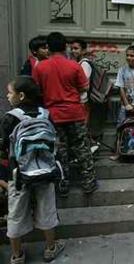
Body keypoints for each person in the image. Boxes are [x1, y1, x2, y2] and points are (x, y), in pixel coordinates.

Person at [0, 76, 64, 264]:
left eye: (10, 93)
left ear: (20, 95)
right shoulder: (46, 114)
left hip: (18, 174)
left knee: (16, 212)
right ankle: (51, 248)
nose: (7, 96)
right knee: (47, 207)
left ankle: (17, 255)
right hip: (46, 171)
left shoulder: (10, 117)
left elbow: (4, 148)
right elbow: (55, 141)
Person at [32, 32, 97, 197]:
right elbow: (84, 87)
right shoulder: (74, 66)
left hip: (53, 116)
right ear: (65, 46)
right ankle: (88, 183)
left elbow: (36, 90)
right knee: (82, 148)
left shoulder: (40, 67)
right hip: (75, 113)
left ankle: (63, 184)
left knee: (60, 151)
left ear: (48, 47)